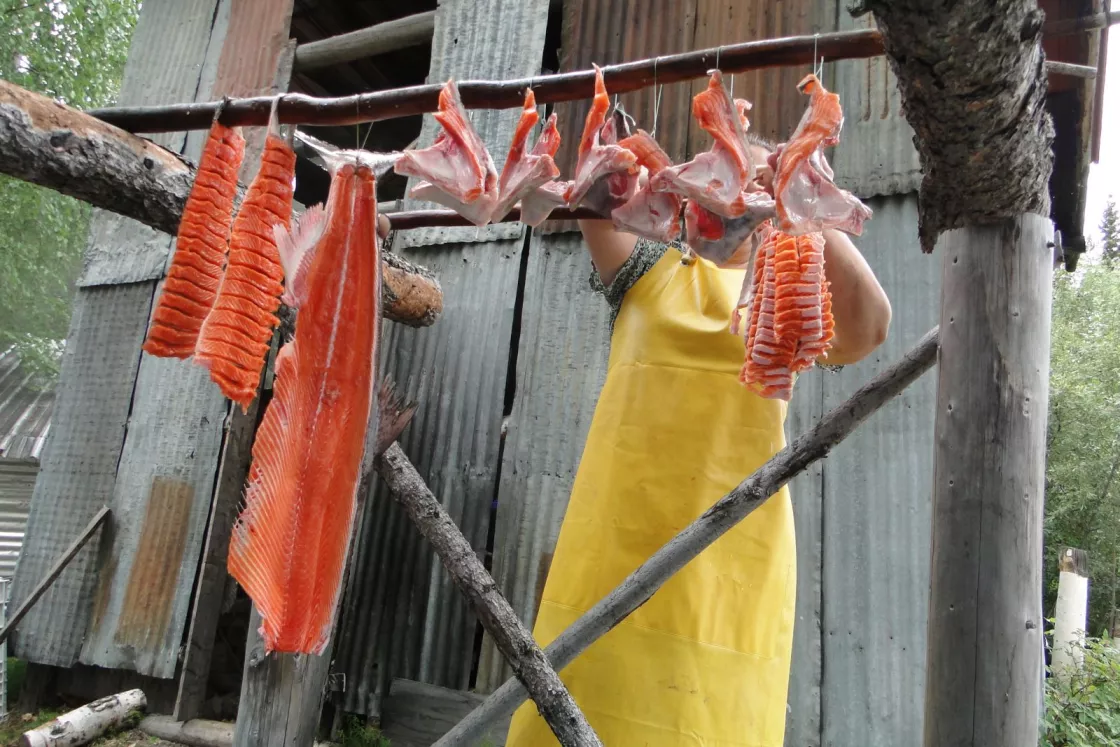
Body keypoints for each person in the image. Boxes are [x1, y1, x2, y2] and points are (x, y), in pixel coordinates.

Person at [504, 136, 892, 746]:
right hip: (616, 544)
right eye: (717, 182)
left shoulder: (785, 291)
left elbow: (871, 325)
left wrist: (797, 187)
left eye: (749, 186)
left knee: (705, 720)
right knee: (587, 702)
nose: (732, 197)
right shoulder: (641, 269)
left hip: (733, 553)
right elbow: (595, 188)